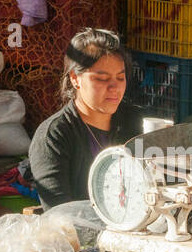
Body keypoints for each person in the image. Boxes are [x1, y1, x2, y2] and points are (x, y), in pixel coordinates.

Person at [28, 28, 145, 210]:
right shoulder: (53, 137)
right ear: (75, 79)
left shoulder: (135, 121)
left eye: (120, 78)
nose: (115, 87)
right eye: (102, 79)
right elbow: (60, 213)